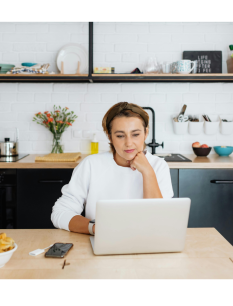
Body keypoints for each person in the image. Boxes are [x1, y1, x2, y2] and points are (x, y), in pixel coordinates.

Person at [51, 101, 174, 235]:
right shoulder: (91, 165)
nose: (128, 143)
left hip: (148, 243)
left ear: (146, 133)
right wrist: (94, 228)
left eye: (135, 134)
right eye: (120, 136)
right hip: (101, 242)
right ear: (109, 136)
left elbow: (159, 222)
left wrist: (147, 172)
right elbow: (60, 213)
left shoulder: (158, 166)